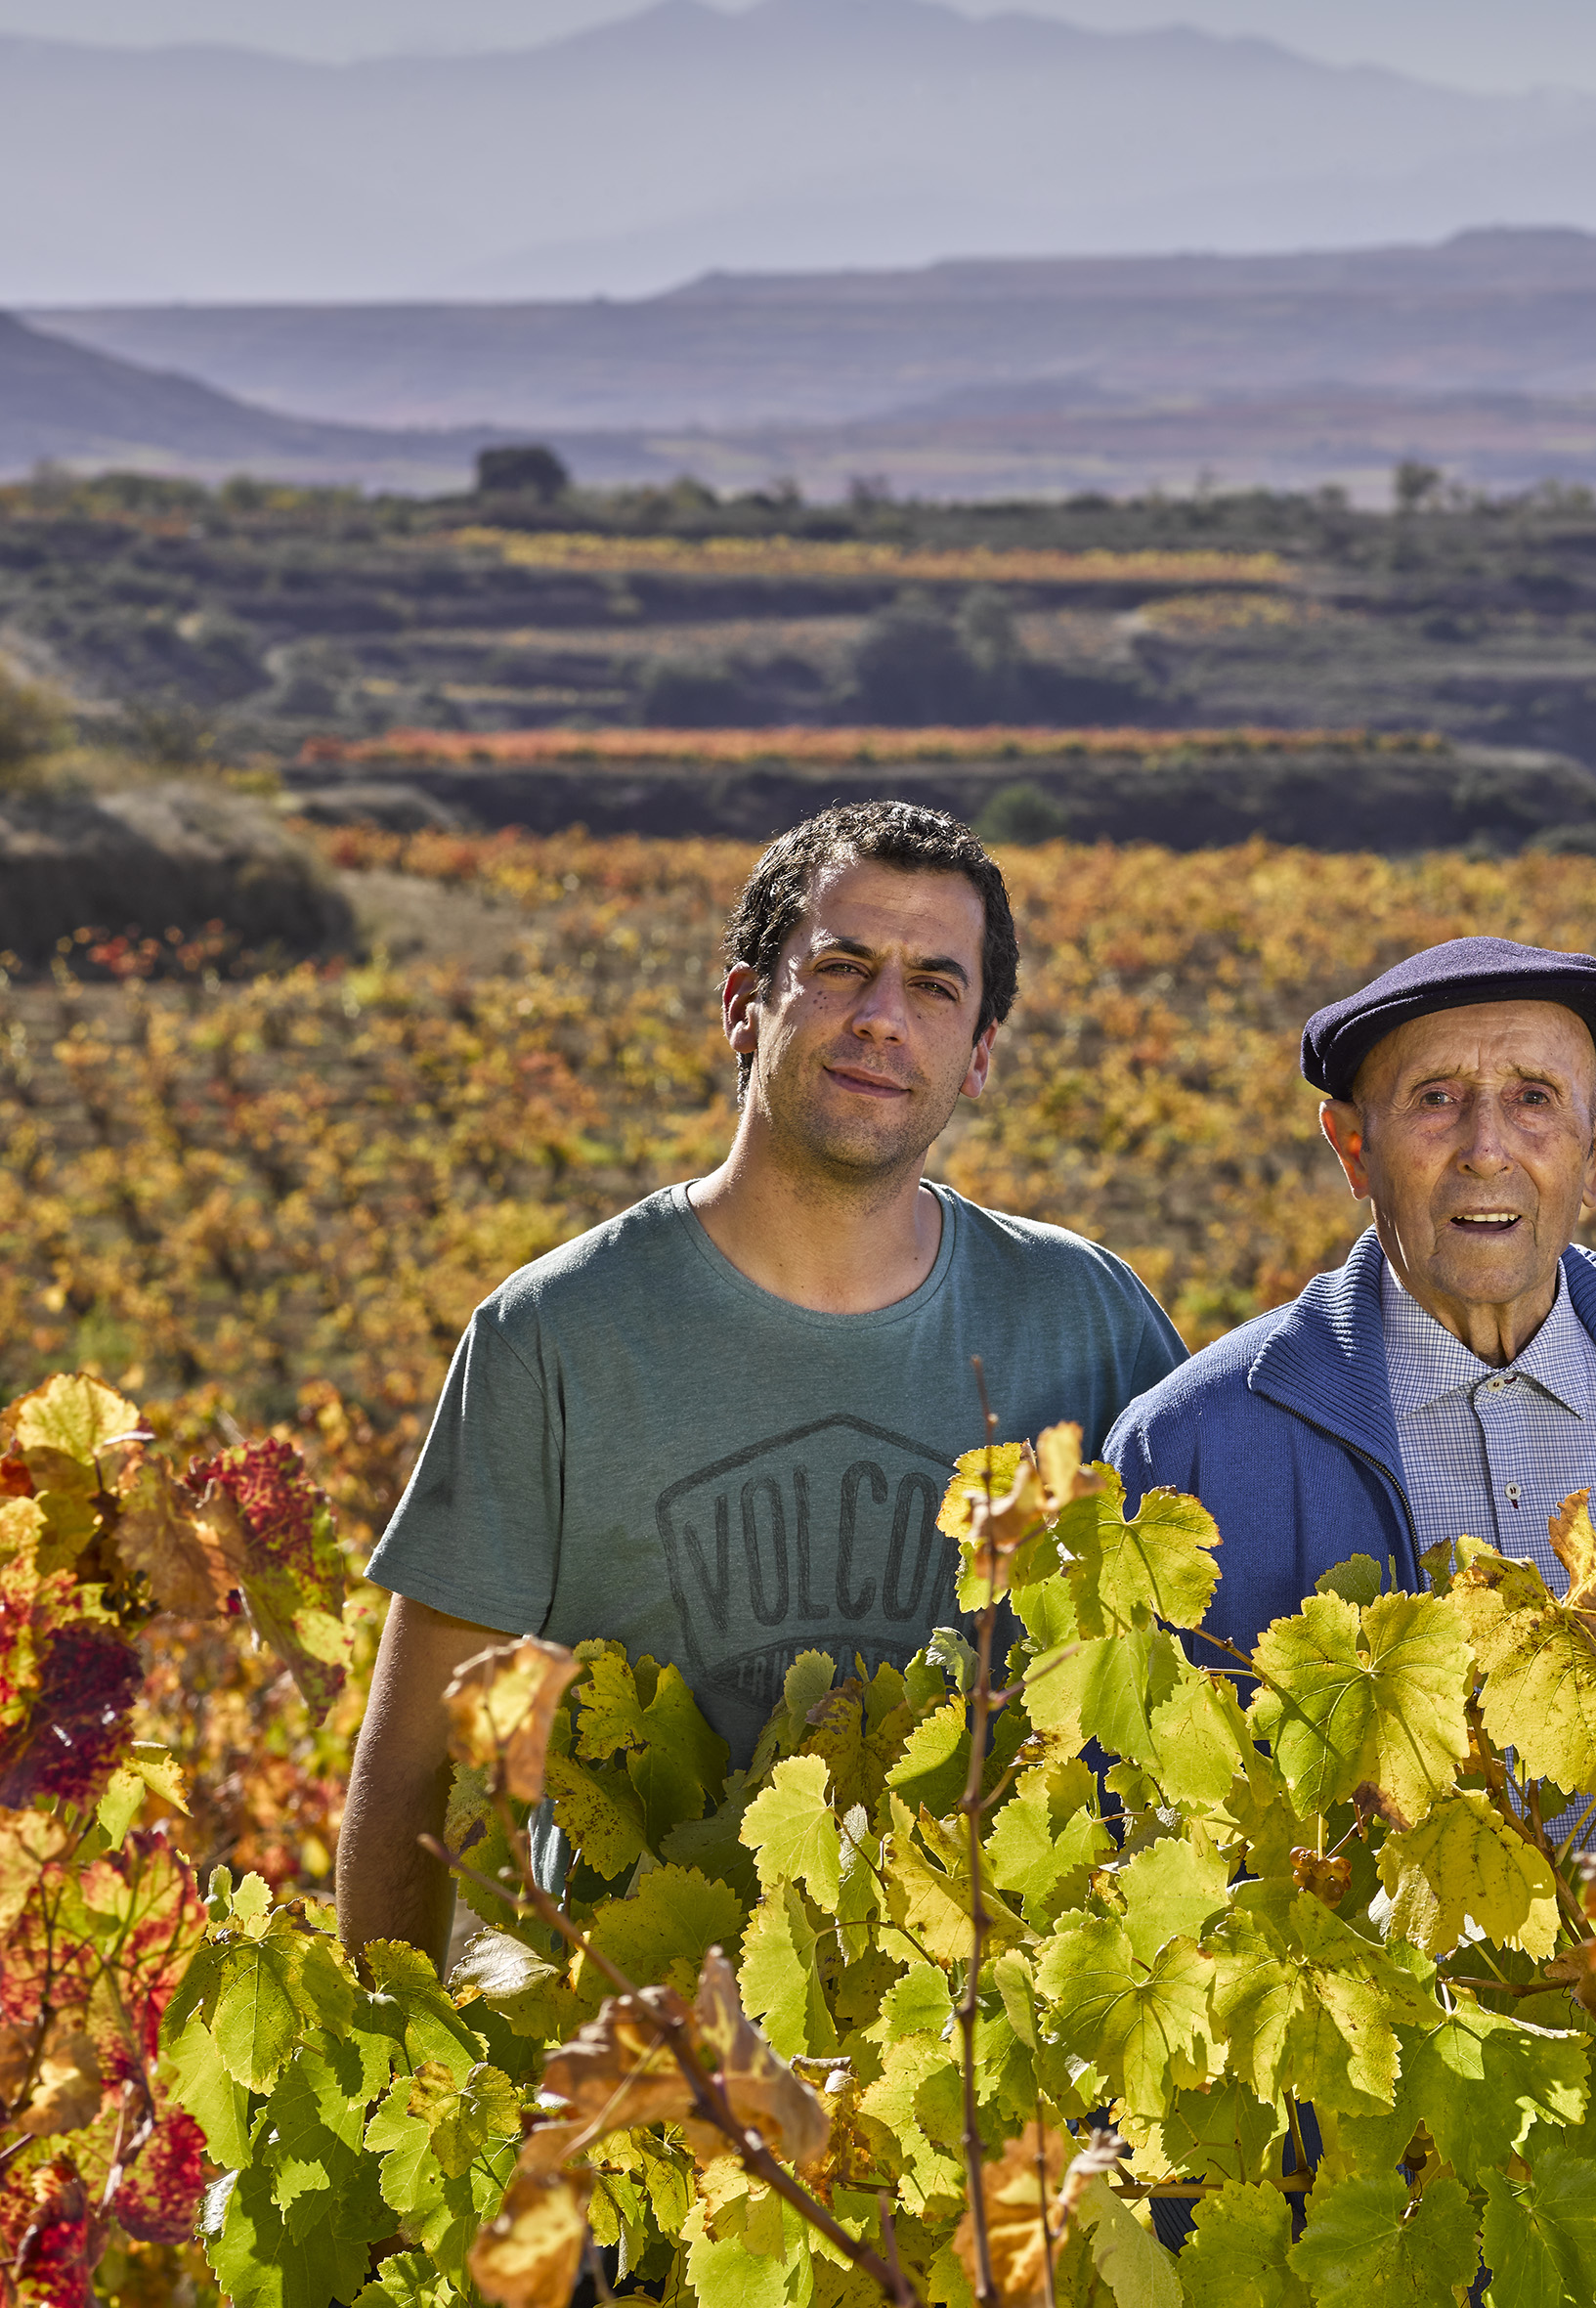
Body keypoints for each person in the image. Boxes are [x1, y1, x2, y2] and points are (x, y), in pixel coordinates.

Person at [1104, 934, 1596, 2281]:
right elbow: (1139, 1879)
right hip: (1388, 2210)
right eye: (1436, 1100)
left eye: (1534, 1100)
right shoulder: (1194, 1450)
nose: (1487, 1148)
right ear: (1352, 1145)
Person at [337, 802, 1186, 1956]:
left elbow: (1180, 1691)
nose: (883, 1017)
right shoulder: (555, 1335)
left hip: (982, 2036)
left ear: (981, 1052)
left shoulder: (1090, 1319)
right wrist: (393, 2037)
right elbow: (412, 1774)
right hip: (643, 2040)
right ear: (744, 1004)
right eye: (841, 968)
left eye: (936, 987)